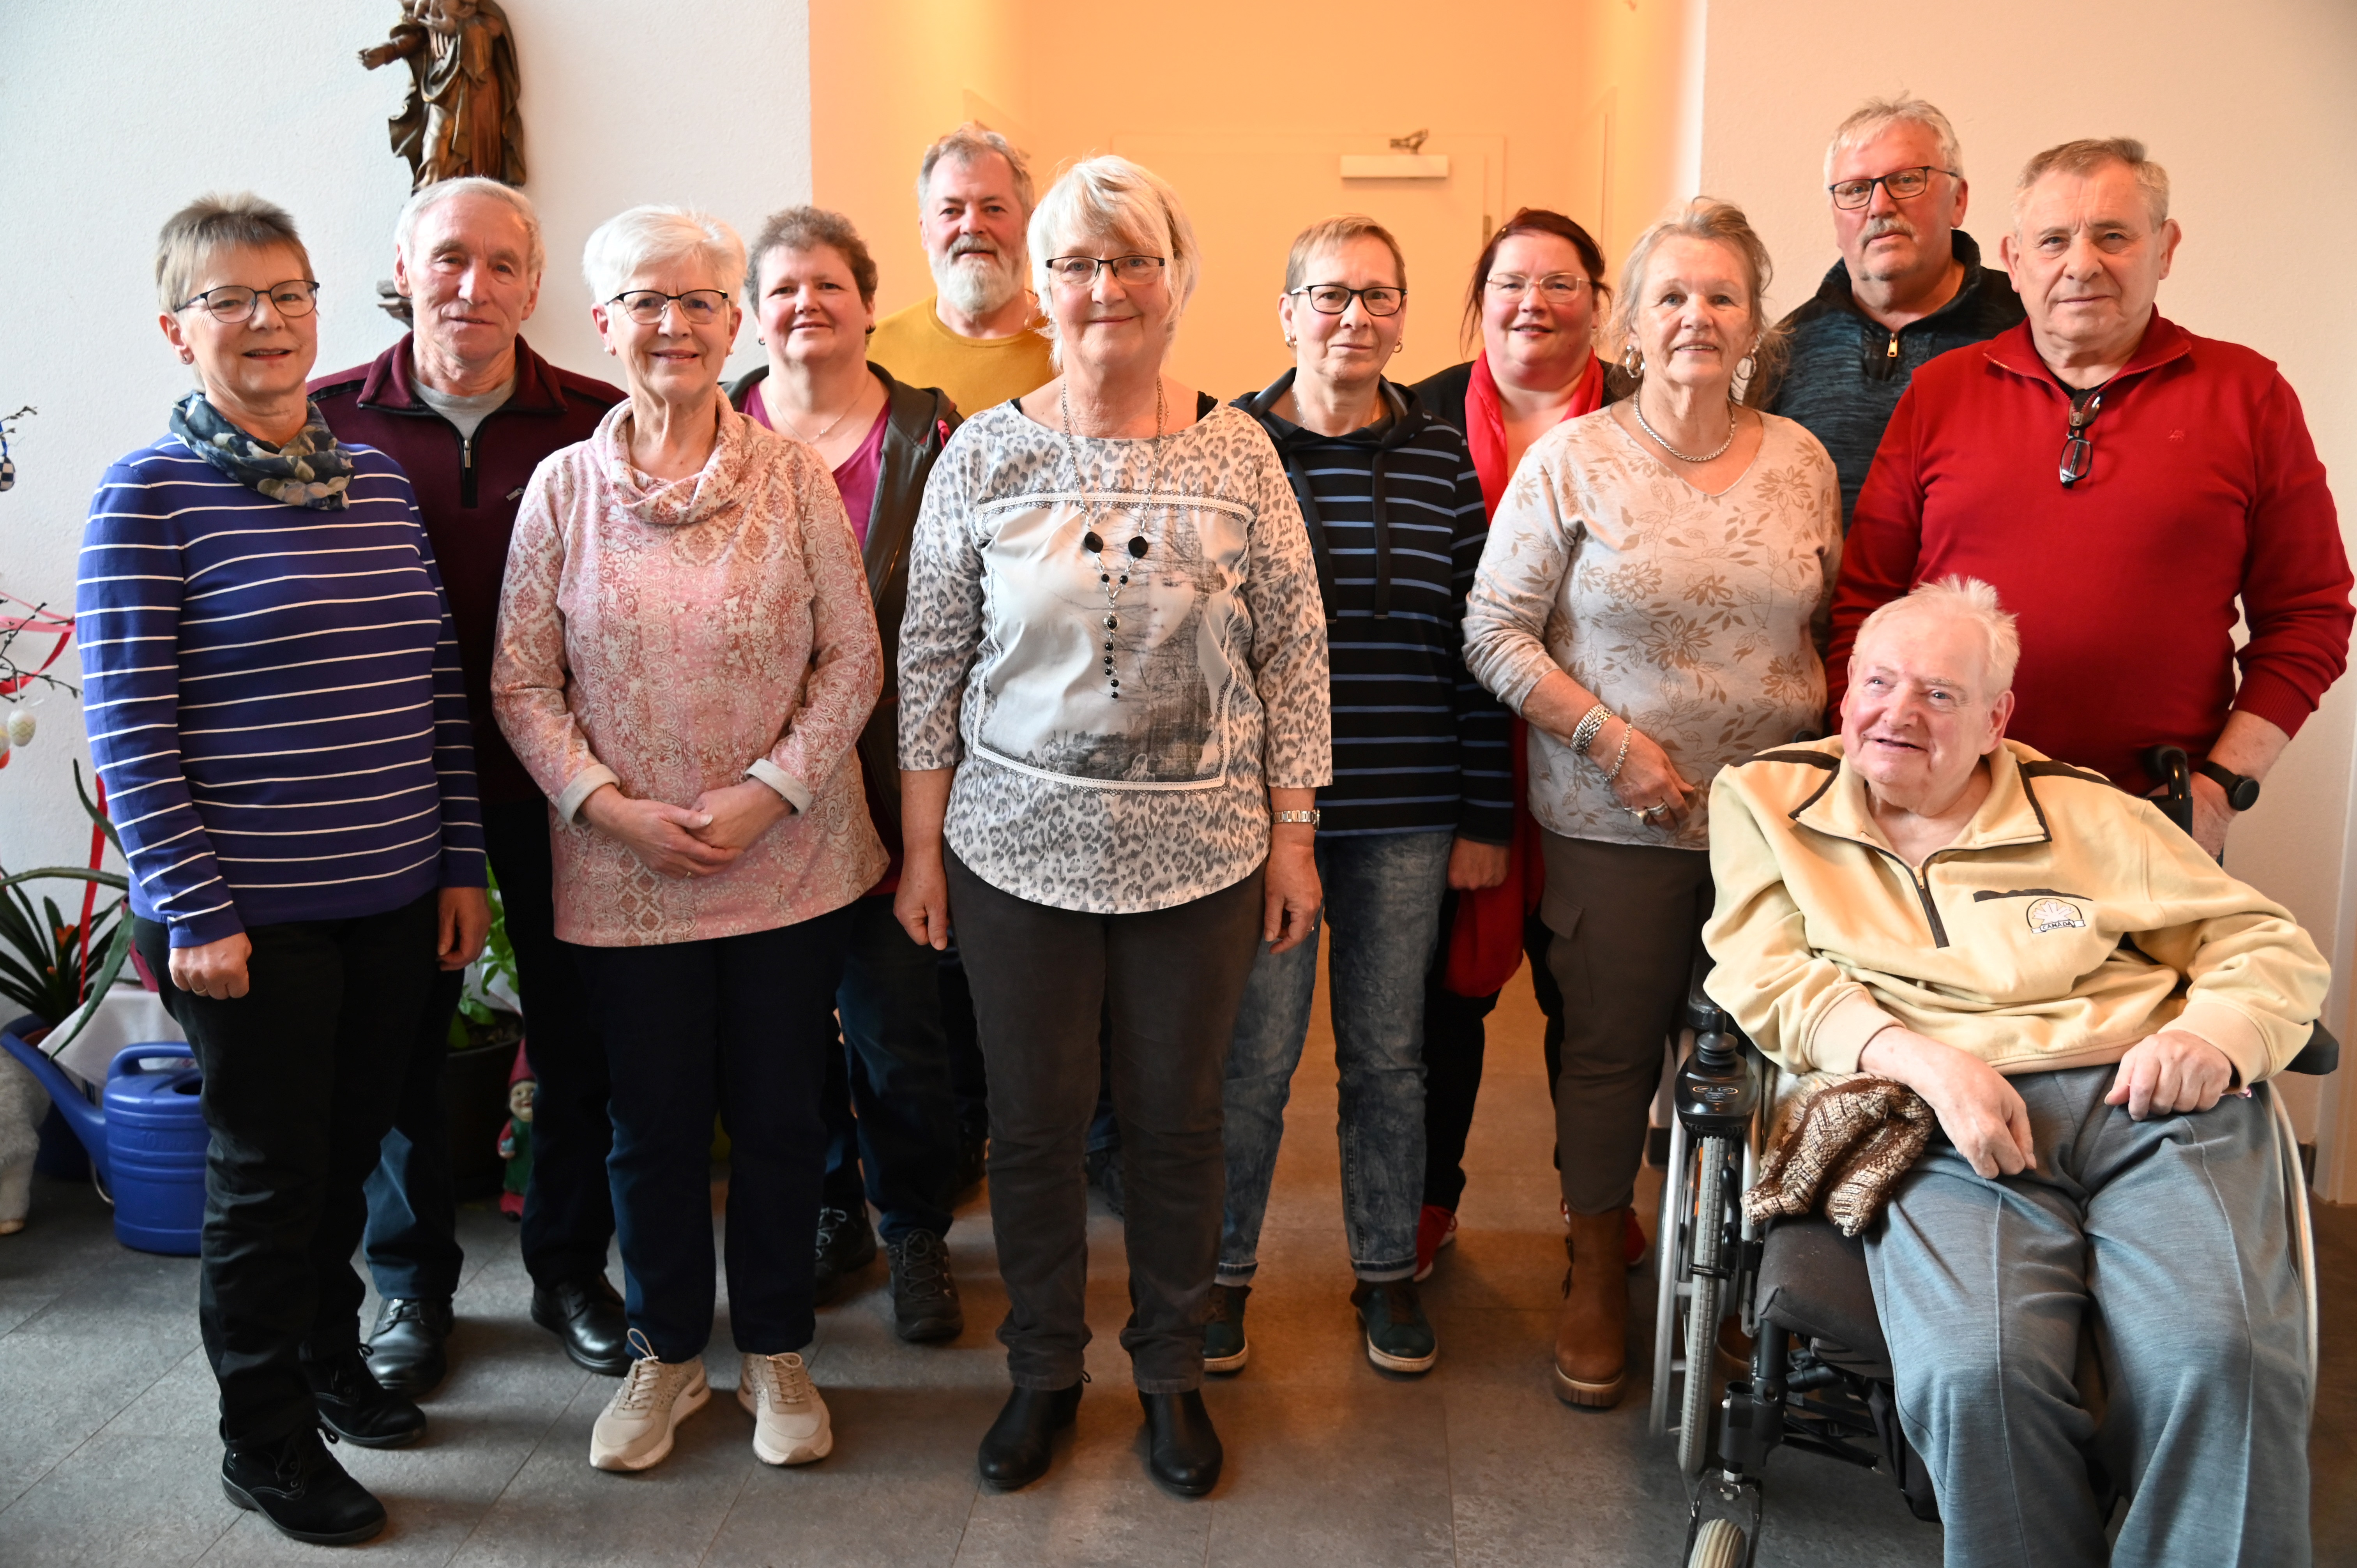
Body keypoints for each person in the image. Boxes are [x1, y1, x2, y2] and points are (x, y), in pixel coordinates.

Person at [1705, 578, 2327, 1567]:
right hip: (1942, 1110)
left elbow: (2265, 941)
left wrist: (2214, 1031)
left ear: (1998, 718)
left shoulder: (2084, 810)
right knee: (1973, 1371)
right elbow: (1762, 967)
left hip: (2147, 1096)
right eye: (1879, 681)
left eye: (1940, 695)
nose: (1898, 712)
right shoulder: (1770, 800)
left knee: (2224, 1355)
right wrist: (1926, 1062)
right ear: (1845, 690)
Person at [896, 155, 1329, 1496]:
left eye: (1130, 260)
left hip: (1200, 857)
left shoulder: (1239, 449)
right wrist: (920, 848)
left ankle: (1168, 1374)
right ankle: (1040, 1370)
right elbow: (928, 656)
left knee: (1175, 1122)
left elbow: (1294, 654)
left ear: (1175, 281)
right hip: (1013, 852)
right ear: (1039, 286)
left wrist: (1293, 834)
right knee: (1029, 1126)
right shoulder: (984, 451)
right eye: (1076, 264)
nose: (1103, 289)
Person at [79, 192, 490, 1546]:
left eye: (289, 294)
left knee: (341, 1153)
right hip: (243, 923)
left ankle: (325, 1365)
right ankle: (261, 1442)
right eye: (231, 300)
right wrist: (193, 906)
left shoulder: (370, 478)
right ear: (175, 327)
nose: (266, 321)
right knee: (266, 1182)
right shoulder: (147, 494)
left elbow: (432, 685)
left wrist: (456, 864)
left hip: (388, 899)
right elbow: (127, 725)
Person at [491, 205, 885, 1474]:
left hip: (788, 864)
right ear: (602, 325)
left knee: (778, 1113)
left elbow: (852, 659)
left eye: (698, 301)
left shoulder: (792, 478)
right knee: (646, 1124)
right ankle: (669, 1354)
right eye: (643, 302)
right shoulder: (562, 490)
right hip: (622, 877)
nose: (671, 325)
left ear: (734, 322)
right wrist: (605, 806)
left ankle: (773, 1350)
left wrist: (770, 789)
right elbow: (519, 682)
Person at [1461, 198, 1841, 1410]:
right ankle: (1593, 1267)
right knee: (1615, 1049)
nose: (1696, 318)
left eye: (1721, 296)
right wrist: (1607, 736)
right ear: (1632, 320)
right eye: (1671, 296)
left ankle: (1743, 1279)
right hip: (1614, 819)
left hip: (1775, 825)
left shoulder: (1804, 461)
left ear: (1755, 323)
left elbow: (1829, 626)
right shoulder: (1572, 460)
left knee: (1762, 1057)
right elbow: (1492, 629)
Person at [311, 176, 629, 1397]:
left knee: (580, 1034)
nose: (473, 287)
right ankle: (413, 1288)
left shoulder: (599, 420)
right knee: (396, 1045)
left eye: (502, 265)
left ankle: (566, 1267)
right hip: (393, 790)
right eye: (449, 260)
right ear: (403, 265)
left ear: (535, 283)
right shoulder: (327, 421)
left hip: (561, 785)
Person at [1833, 138, 2352, 858]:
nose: (2081, 264)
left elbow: (2309, 615)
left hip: (2152, 820)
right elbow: (1863, 607)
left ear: (2163, 249)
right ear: (2013, 260)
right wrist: (1873, 772)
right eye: (2053, 240)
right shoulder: (1939, 395)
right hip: (1943, 814)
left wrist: (2222, 787)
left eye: (2112, 236)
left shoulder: (2247, 395)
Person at [1215, 214, 1508, 1377]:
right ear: (1287, 311)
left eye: (1380, 298)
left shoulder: (1441, 455)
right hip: (1257, 816)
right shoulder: (1229, 447)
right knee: (1253, 1059)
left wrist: (1485, 815)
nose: (1355, 318)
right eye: (1330, 296)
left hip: (1407, 808)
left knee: (1389, 1057)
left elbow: (1474, 643)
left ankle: (1387, 1271)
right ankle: (1221, 1277)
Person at [728, 205, 966, 1342]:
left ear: (871, 305)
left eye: (828, 284)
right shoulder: (713, 426)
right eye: (781, 288)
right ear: (753, 312)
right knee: (782, 1035)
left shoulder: (933, 434)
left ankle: (917, 1226)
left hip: (891, 789)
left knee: (900, 1034)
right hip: (752, 796)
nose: (805, 304)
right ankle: (834, 1210)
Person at [1409, 208, 1625, 1282]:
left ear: (1599, 300)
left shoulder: (1649, 412)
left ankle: (1595, 1206)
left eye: (1561, 282)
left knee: (1591, 1004)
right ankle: (1430, 1198)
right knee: (1445, 1001)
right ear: (1479, 300)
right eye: (1510, 283)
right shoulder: (1421, 416)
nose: (1533, 303)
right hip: (1461, 749)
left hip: (1604, 759)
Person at [1746, 97, 2023, 526]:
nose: (1879, 206)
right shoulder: (1786, 349)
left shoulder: (2028, 328)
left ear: (1958, 201)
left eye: (1907, 179)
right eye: (1855, 190)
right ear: (1835, 217)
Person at [868, 123, 1057, 418]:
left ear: (1030, 227)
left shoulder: (1073, 347)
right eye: (951, 211)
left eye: (993, 208)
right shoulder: (872, 354)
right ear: (925, 232)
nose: (971, 226)